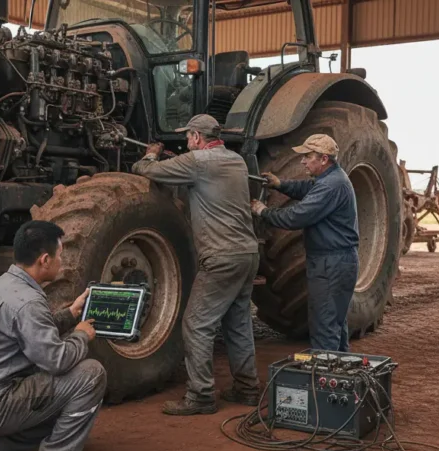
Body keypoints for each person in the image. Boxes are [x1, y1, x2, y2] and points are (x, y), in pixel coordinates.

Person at [0, 220, 108, 451]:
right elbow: (57, 360)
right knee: (91, 375)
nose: (62, 261)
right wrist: (82, 335)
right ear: (45, 259)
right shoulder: (28, 302)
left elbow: (31, 331)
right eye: (60, 256)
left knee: (64, 412)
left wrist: (71, 315)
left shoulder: (3, 284)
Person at [132, 114, 262, 413]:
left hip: (221, 258)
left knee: (196, 323)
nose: (187, 143)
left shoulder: (198, 163)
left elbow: (147, 171)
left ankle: (201, 395)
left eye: (189, 138)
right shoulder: (235, 162)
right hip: (247, 255)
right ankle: (247, 388)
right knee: (238, 322)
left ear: (196, 138)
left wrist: (151, 155)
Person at [251, 134, 359, 352]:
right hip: (337, 260)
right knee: (334, 323)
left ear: (324, 159)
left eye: (307, 156)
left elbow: (296, 217)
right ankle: (340, 373)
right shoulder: (331, 179)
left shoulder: (330, 185)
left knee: (324, 325)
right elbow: (306, 189)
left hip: (331, 263)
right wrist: (280, 184)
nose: (302, 161)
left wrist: (264, 211)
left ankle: (325, 378)